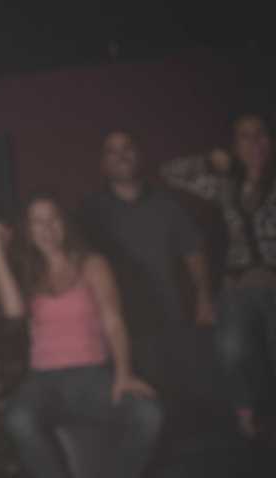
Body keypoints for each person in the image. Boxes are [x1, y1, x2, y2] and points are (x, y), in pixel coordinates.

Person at [0, 195, 162, 478]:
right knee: (17, 418)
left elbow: (113, 321)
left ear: (65, 223)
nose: (47, 227)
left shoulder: (93, 264)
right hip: (44, 381)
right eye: (38, 221)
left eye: (53, 218)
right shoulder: (30, 271)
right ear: (29, 230)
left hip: (92, 375)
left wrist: (124, 373)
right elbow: (13, 313)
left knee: (148, 415)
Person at [78, 131, 216, 435]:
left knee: (184, 396)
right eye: (112, 151)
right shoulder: (90, 213)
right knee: (144, 406)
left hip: (171, 313)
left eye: (127, 148)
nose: (121, 155)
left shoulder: (167, 204)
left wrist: (205, 298)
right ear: (103, 163)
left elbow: (193, 251)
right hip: (121, 324)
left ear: (139, 155)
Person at [161, 114, 276, 439]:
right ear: (234, 145)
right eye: (245, 136)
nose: (254, 142)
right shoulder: (225, 184)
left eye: (260, 134)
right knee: (231, 349)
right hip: (236, 285)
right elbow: (169, 173)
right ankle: (246, 414)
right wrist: (209, 160)